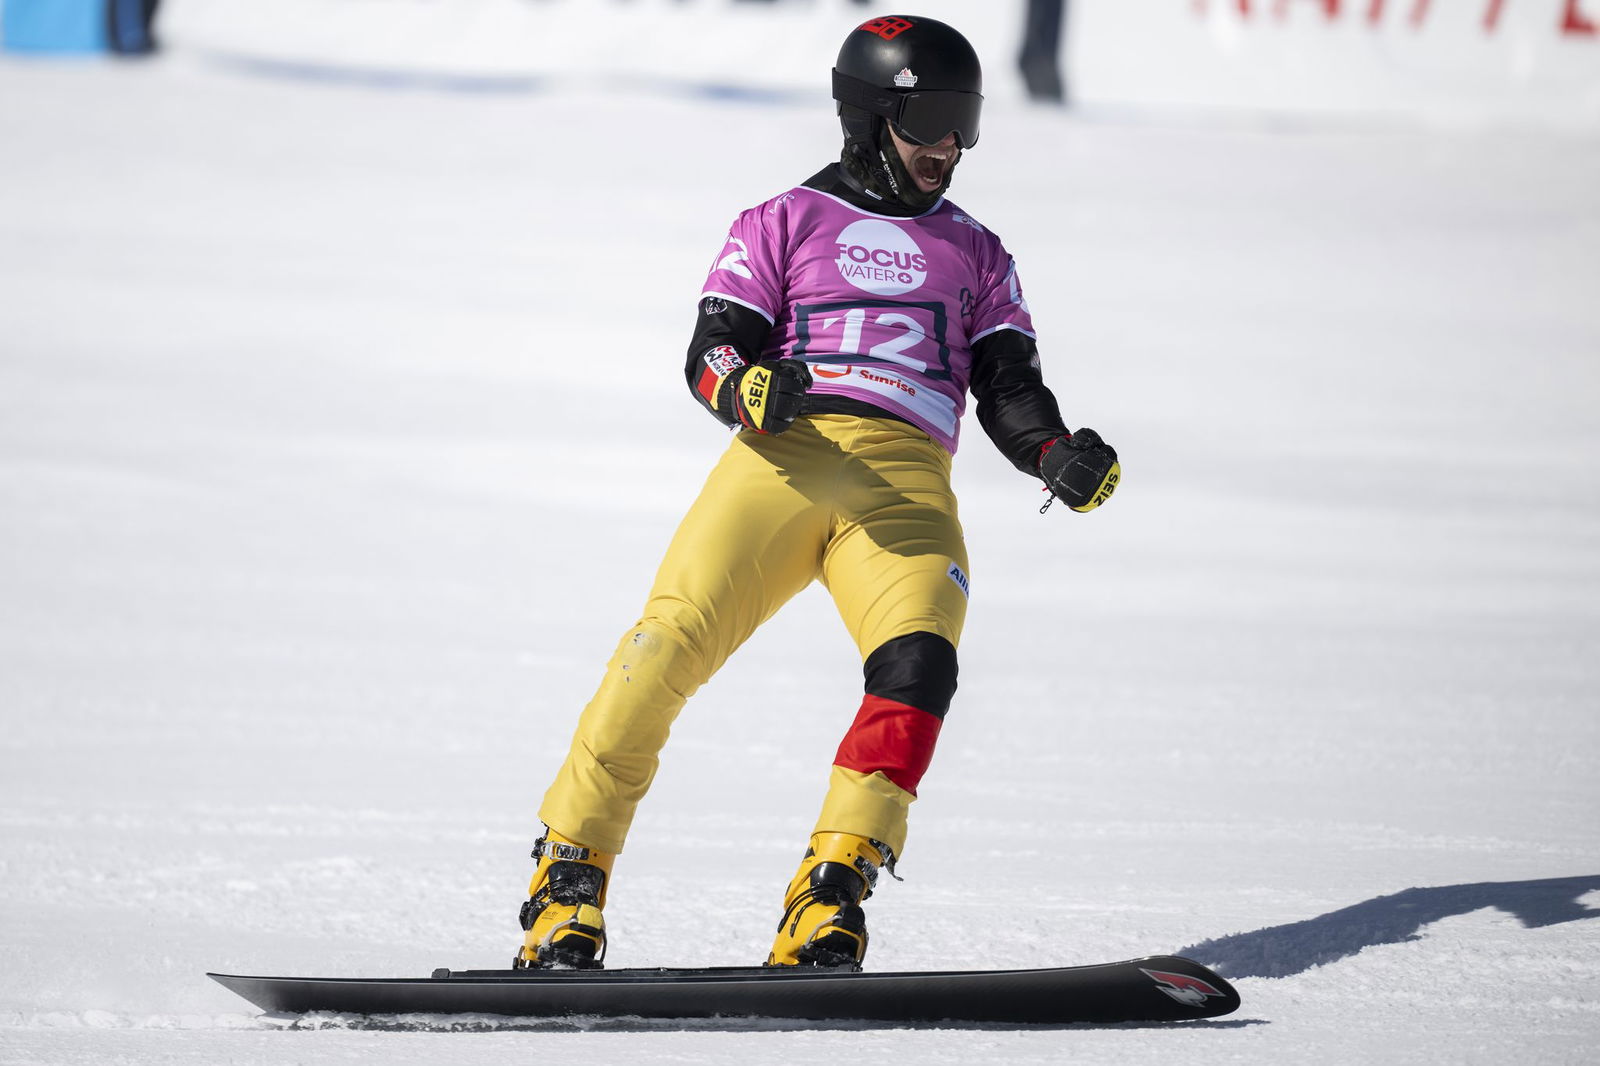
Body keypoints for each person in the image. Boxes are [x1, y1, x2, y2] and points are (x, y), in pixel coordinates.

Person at [514, 13, 1120, 971]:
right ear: (870, 117)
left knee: (919, 669)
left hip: (905, 486)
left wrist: (1053, 453)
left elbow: (1008, 386)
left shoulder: (981, 253)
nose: (948, 148)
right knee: (666, 644)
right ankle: (567, 880)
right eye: (929, 122)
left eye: (965, 124)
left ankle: (830, 893)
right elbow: (711, 351)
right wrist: (745, 386)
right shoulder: (785, 220)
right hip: (783, 459)